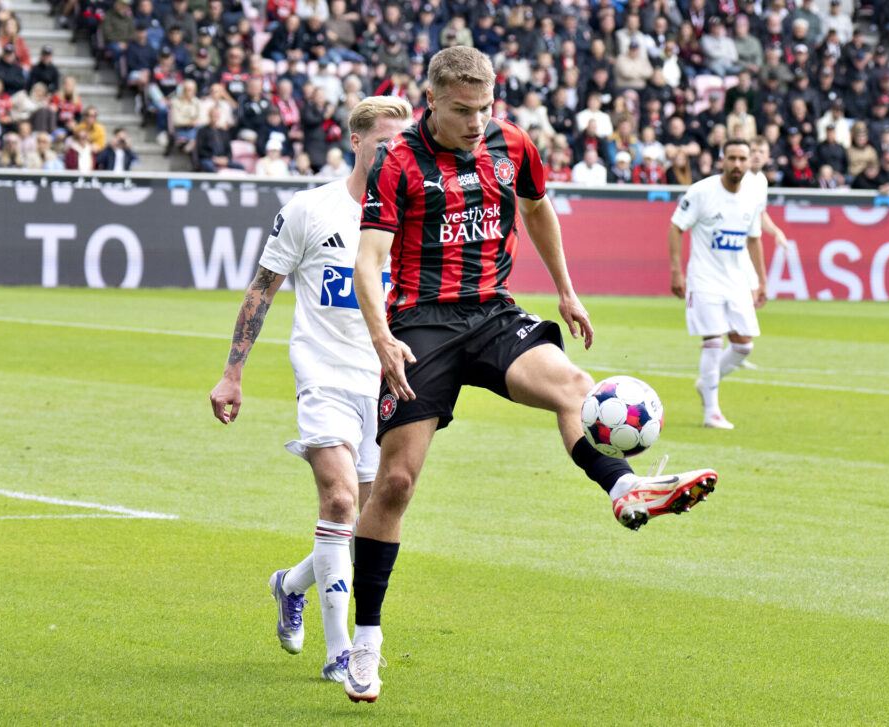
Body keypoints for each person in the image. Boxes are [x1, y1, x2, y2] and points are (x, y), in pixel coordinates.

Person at [346, 46, 718, 703]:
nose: (475, 120)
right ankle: (366, 640)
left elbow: (538, 209)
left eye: (484, 107)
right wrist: (381, 336)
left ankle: (625, 487)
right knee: (398, 480)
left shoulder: (511, 143)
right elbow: (369, 257)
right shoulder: (398, 162)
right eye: (461, 110)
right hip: (420, 324)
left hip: (491, 312)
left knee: (576, 387)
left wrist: (567, 290)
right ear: (430, 100)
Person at [209, 97, 414, 685]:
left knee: (369, 522)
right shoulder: (310, 209)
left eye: (403, 145)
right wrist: (233, 371)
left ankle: (291, 583)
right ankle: (341, 650)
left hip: (387, 381)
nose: (395, 153)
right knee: (341, 503)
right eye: (384, 143)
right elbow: (261, 290)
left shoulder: (410, 216)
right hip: (323, 375)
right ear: (356, 142)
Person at [668, 139, 767, 430]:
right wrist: (677, 271)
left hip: (736, 281)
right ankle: (712, 412)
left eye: (743, 159)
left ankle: (706, 383)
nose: (737, 164)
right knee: (712, 342)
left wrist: (760, 281)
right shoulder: (702, 192)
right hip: (704, 279)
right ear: (721, 160)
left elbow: (753, 239)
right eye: (732, 158)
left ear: (749, 162)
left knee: (743, 346)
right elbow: (676, 227)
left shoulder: (752, 196)